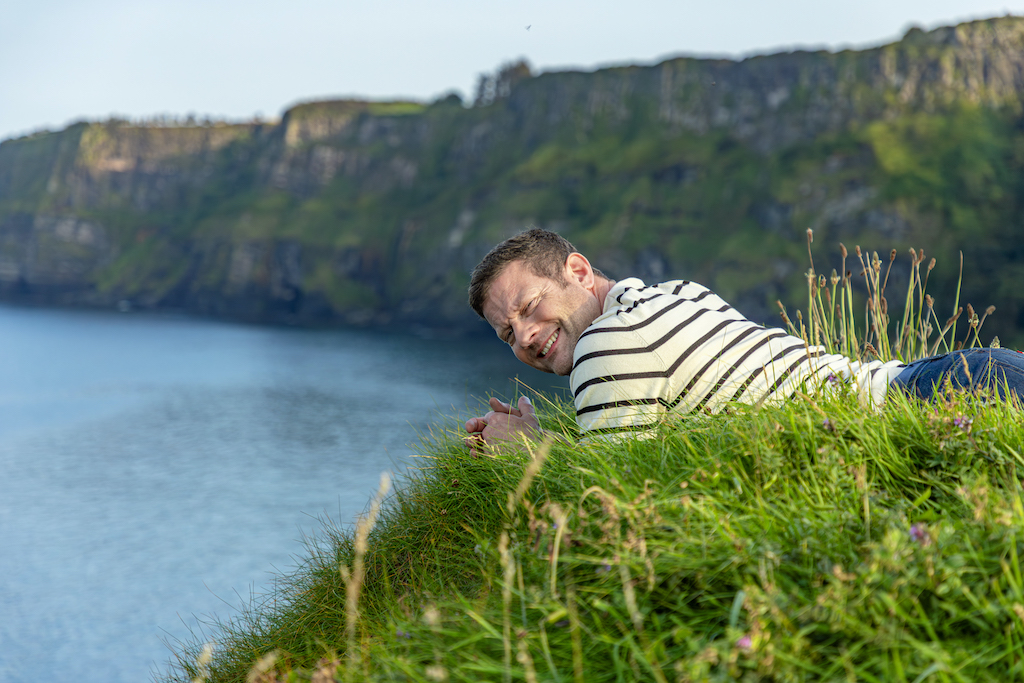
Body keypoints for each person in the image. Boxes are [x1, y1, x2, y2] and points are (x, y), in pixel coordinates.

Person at [464, 229, 1024, 448]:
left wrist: (528, 451)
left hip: (941, 402)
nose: (527, 335)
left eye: (531, 306)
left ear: (580, 272)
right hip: (946, 378)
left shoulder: (606, 342)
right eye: (506, 332)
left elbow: (607, 496)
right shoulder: (671, 293)